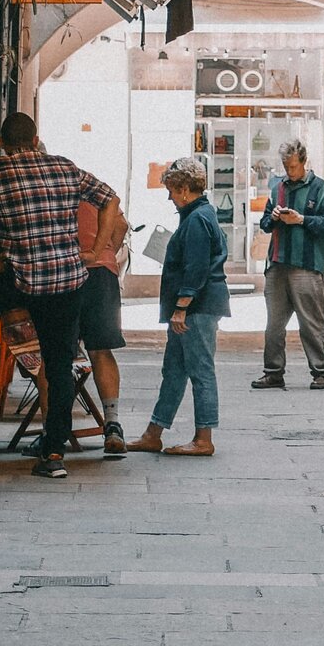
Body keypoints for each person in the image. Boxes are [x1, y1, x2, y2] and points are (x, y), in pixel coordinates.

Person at [0, 112, 120, 479]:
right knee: (59, 368)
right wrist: (96, 249)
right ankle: (54, 455)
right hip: (67, 282)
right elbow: (110, 199)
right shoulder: (65, 168)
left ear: (1, 143)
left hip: (20, 281)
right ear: (37, 137)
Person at [128, 157, 228, 455]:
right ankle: (153, 432)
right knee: (174, 369)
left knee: (200, 370)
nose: (169, 196)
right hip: (195, 306)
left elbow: (197, 268)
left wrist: (182, 306)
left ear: (185, 188)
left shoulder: (197, 219)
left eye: (172, 190)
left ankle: (203, 439)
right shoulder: (198, 215)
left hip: (197, 308)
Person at [254, 138, 324, 389]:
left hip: (306, 265)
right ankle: (273, 372)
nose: (289, 171)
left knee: (311, 322)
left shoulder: (320, 188)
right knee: (274, 324)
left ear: (303, 162)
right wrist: (275, 217)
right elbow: (265, 223)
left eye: (293, 166)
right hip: (278, 263)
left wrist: (302, 220)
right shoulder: (277, 188)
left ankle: (321, 372)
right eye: (286, 166)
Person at [75, 195, 129, 456]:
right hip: (102, 272)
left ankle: (54, 430)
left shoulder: (47, 185)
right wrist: (106, 250)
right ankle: (112, 423)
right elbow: (122, 225)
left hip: (65, 269)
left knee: (57, 352)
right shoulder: (93, 189)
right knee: (101, 349)